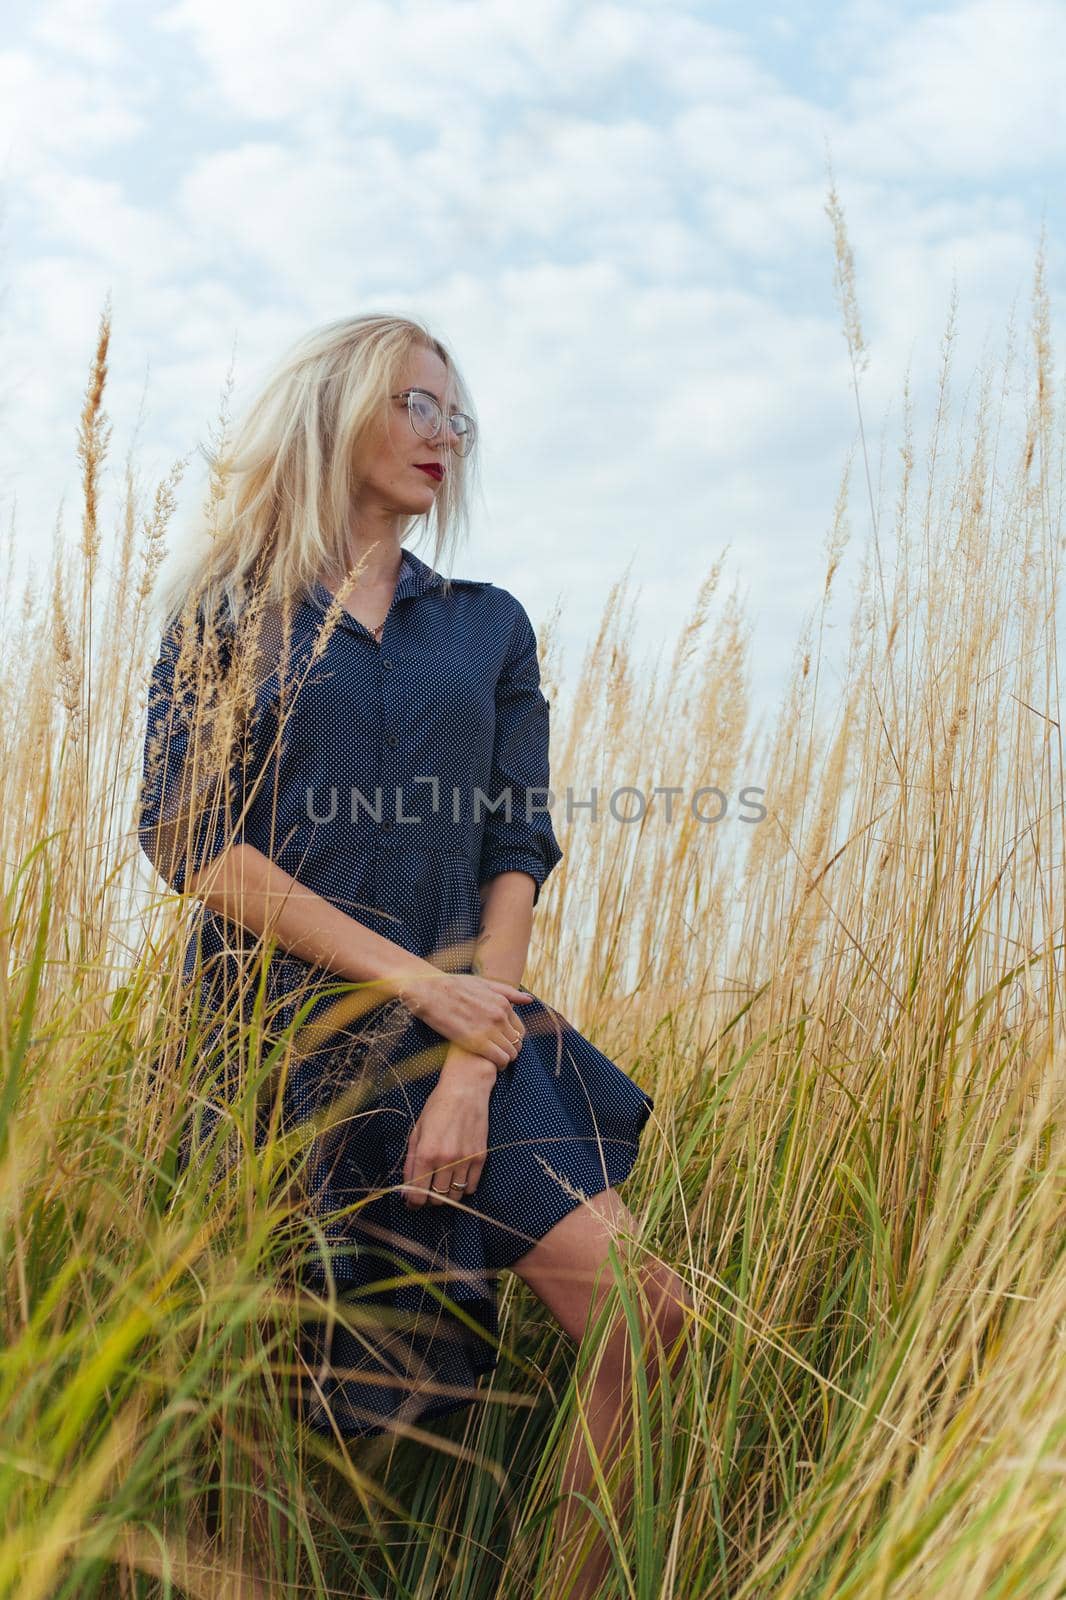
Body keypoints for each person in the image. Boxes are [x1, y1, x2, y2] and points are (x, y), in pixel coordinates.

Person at [138, 312, 693, 1594]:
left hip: (472, 1037)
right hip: (274, 1036)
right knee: (260, 1385)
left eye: (457, 416)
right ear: (335, 412)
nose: (447, 435)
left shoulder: (487, 626)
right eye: (418, 405)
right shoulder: (224, 611)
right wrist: (413, 984)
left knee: (643, 1315)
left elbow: (517, 842)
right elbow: (192, 841)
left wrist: (469, 1047)